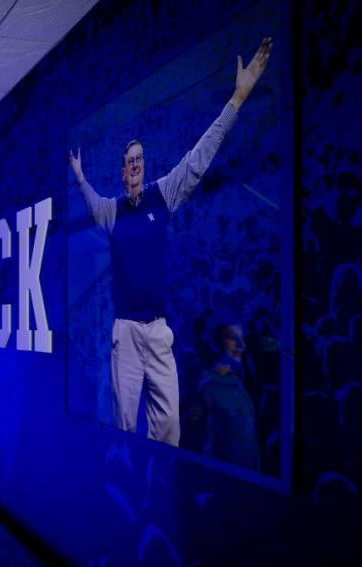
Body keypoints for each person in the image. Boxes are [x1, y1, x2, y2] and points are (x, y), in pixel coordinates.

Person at [68, 36, 273, 446]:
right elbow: (91, 203)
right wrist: (79, 176)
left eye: (140, 160)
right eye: (129, 162)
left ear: (146, 167)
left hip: (158, 332)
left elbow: (200, 155)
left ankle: (159, 497)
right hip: (125, 333)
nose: (135, 166)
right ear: (123, 170)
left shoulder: (165, 194)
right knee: (126, 425)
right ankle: (127, 496)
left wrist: (237, 98)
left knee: (168, 430)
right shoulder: (112, 211)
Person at [199, 320, 261, 470]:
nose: (241, 344)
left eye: (241, 337)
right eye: (233, 338)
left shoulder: (242, 379)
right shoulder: (211, 383)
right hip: (226, 468)